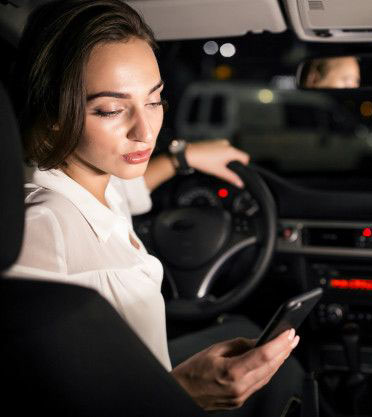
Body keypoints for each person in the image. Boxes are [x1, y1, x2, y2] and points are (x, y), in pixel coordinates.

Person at [5, 0, 302, 415]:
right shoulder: (41, 226)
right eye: (110, 109)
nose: (145, 131)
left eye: (155, 100)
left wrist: (185, 158)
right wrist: (181, 393)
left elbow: (133, 185)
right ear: (53, 112)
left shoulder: (94, 184)